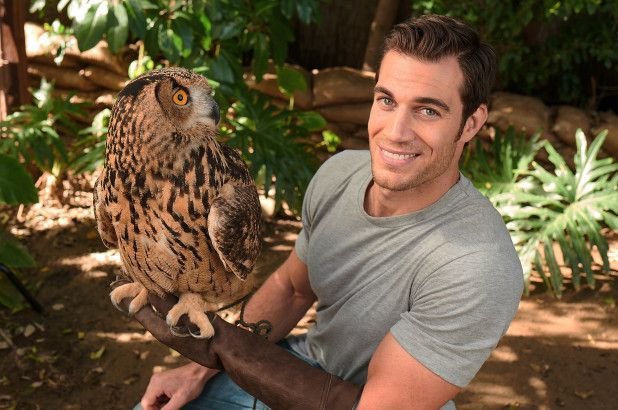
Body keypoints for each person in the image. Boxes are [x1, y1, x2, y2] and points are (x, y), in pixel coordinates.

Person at [124, 14, 524, 409]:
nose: (396, 132)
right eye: (387, 101)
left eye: (428, 111)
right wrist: (201, 370)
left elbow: (373, 408)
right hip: (298, 364)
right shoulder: (340, 174)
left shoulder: (478, 264)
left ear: (471, 123)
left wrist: (223, 348)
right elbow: (292, 289)